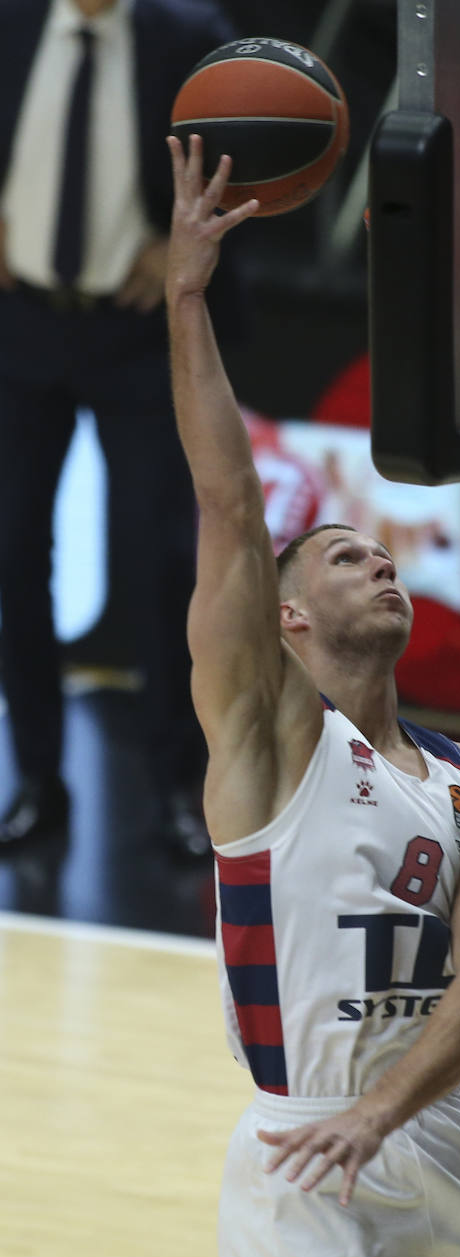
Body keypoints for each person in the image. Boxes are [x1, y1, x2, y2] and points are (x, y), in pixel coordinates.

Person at [164, 135, 460, 1257]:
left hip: (445, 1133)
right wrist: (188, 297)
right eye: (344, 553)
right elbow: (228, 510)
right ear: (289, 616)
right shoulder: (266, 739)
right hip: (305, 1150)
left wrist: (388, 1113)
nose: (380, 559)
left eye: (386, 550)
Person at [0, 0, 243, 858]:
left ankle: (175, 791)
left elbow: (248, 161)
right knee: (13, 555)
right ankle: (34, 781)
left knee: (160, 561)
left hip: (140, 335)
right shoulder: (14, 21)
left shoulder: (190, 38)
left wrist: (178, 246)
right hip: (20, 321)